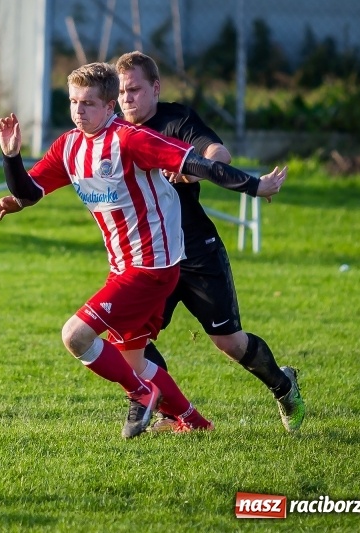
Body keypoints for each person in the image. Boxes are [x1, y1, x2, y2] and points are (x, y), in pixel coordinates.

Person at [0, 61, 288, 438]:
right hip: (124, 266)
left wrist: (255, 186)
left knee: (76, 336)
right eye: (72, 102)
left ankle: (142, 395)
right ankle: (194, 423)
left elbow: (201, 163)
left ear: (108, 107)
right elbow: (29, 192)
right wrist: (11, 156)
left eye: (88, 103)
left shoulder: (131, 139)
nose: (78, 110)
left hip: (153, 266)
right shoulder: (69, 146)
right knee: (134, 360)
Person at [114, 50, 305, 433]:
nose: (127, 98)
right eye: (120, 92)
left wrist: (194, 172)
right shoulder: (115, 133)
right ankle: (168, 412)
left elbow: (218, 152)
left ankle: (284, 387)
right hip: (150, 257)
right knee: (129, 339)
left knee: (229, 343)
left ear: (155, 87)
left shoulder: (177, 118)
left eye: (134, 89)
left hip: (197, 252)